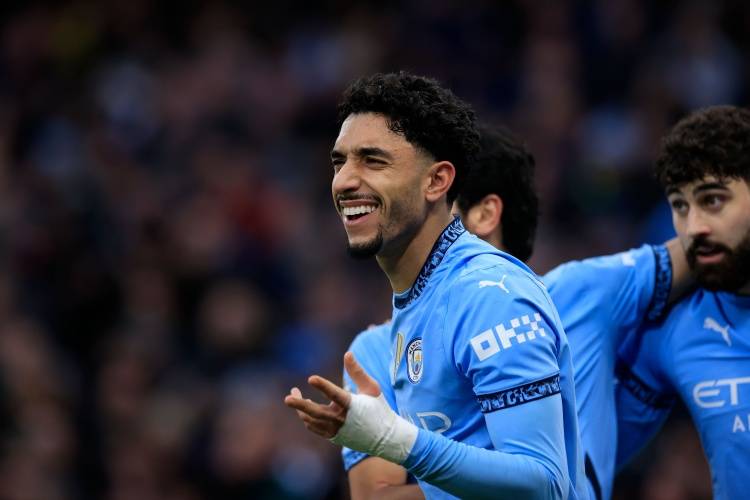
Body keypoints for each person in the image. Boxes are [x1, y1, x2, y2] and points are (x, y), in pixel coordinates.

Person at [340, 125, 690, 500]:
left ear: (485, 213)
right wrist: (501, 479)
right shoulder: (375, 351)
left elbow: (708, 245)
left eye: (442, 199)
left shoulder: (580, 292)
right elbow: (376, 498)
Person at [283, 72, 587, 499]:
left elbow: (544, 485)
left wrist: (396, 440)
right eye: (340, 162)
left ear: (437, 181)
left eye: (373, 161)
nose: (345, 181)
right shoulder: (418, 302)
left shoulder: (490, 295)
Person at [615, 105, 750, 500]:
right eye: (679, 206)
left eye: (713, 201)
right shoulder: (673, 332)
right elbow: (585, 458)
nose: (693, 228)